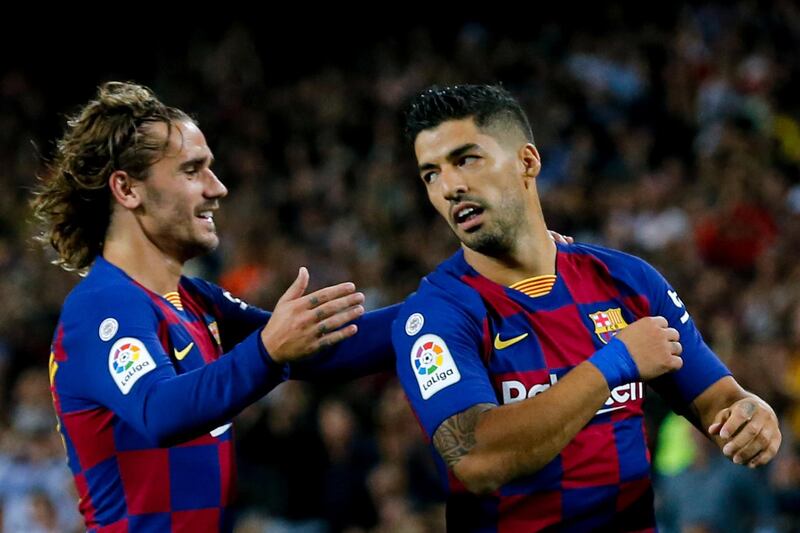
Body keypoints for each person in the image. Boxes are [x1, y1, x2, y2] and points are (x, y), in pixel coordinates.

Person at [392, 85, 781, 531]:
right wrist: (615, 362)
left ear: (527, 162)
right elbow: (478, 459)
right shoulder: (438, 313)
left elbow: (718, 399)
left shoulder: (628, 281)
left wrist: (751, 414)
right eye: (430, 175)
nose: (450, 187)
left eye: (466, 159)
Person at [32, 81, 396, 532]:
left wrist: (448, 301)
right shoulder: (101, 308)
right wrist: (266, 351)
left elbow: (320, 349)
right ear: (127, 189)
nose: (217, 188)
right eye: (192, 171)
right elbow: (161, 411)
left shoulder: (194, 301)